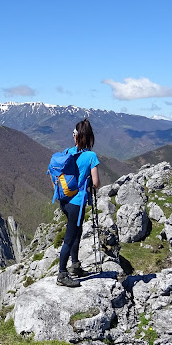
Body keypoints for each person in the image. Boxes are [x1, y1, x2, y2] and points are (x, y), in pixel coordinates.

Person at [55, 118, 100, 288]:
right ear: (89, 137)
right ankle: (62, 273)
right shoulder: (91, 156)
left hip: (65, 201)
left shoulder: (67, 152)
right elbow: (96, 183)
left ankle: (75, 265)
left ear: (76, 137)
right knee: (70, 237)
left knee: (77, 231)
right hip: (77, 203)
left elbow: (55, 176)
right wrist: (88, 182)